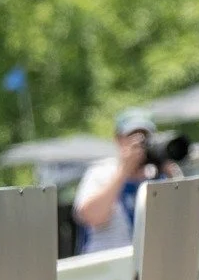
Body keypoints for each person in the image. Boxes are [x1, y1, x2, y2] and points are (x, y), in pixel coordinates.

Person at [74, 108, 184, 254]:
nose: (141, 144)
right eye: (133, 136)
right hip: (108, 267)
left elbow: (185, 219)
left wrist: (173, 174)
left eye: (146, 136)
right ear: (118, 139)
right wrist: (124, 172)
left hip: (148, 266)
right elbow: (91, 217)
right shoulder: (101, 172)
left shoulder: (157, 175)